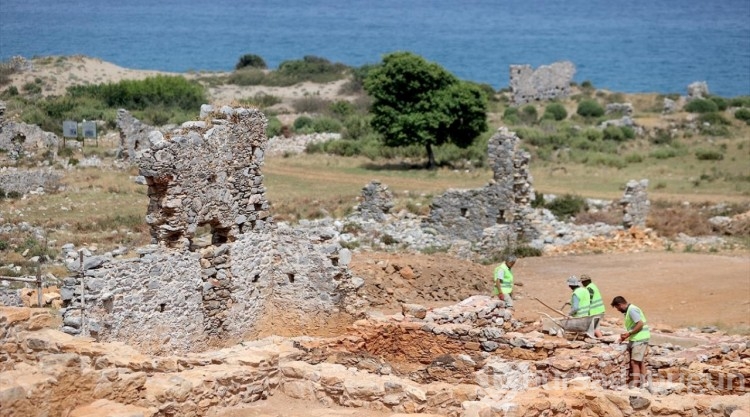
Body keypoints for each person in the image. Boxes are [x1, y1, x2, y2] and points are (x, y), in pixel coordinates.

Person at [611, 296, 651, 388]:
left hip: (639, 338)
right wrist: (627, 335)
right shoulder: (630, 310)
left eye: (617, 308)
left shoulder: (632, 310)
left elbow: (640, 324)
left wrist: (629, 334)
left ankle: (634, 385)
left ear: (620, 304)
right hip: (638, 337)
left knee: (635, 362)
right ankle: (644, 383)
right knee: (640, 361)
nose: (618, 310)